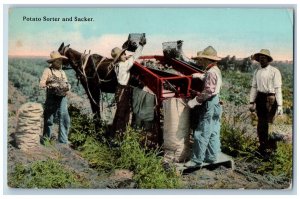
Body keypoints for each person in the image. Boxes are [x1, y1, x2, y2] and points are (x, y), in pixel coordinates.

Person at [184, 46, 223, 168]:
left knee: (202, 131)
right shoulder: (215, 70)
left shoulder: (211, 72)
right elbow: (211, 81)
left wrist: (194, 101)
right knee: (213, 131)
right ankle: (211, 157)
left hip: (209, 102)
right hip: (216, 103)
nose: (201, 62)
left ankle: (196, 160)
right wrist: (200, 76)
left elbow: (208, 91)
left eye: (202, 59)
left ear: (207, 60)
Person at [249, 49, 283, 157]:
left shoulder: (274, 71)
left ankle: (271, 149)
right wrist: (251, 101)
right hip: (260, 97)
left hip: (271, 98)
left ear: (268, 59)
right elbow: (254, 87)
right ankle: (262, 147)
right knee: (261, 123)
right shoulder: (257, 72)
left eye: (264, 58)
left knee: (269, 124)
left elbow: (278, 88)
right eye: (260, 59)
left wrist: (280, 105)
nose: (262, 60)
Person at [111, 37, 147, 136]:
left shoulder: (117, 65)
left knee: (119, 112)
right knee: (124, 113)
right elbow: (135, 57)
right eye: (123, 54)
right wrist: (141, 45)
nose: (125, 55)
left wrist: (125, 58)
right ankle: (119, 136)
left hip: (119, 89)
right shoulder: (124, 65)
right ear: (119, 57)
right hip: (124, 91)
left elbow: (126, 59)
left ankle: (115, 133)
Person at [40, 51, 71, 145]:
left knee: (64, 116)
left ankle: (63, 140)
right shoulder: (47, 71)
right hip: (51, 96)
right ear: (53, 62)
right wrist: (50, 85)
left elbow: (66, 83)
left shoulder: (62, 72)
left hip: (62, 97)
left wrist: (68, 86)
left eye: (61, 60)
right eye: (58, 60)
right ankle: (46, 139)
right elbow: (41, 83)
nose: (60, 62)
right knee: (49, 117)